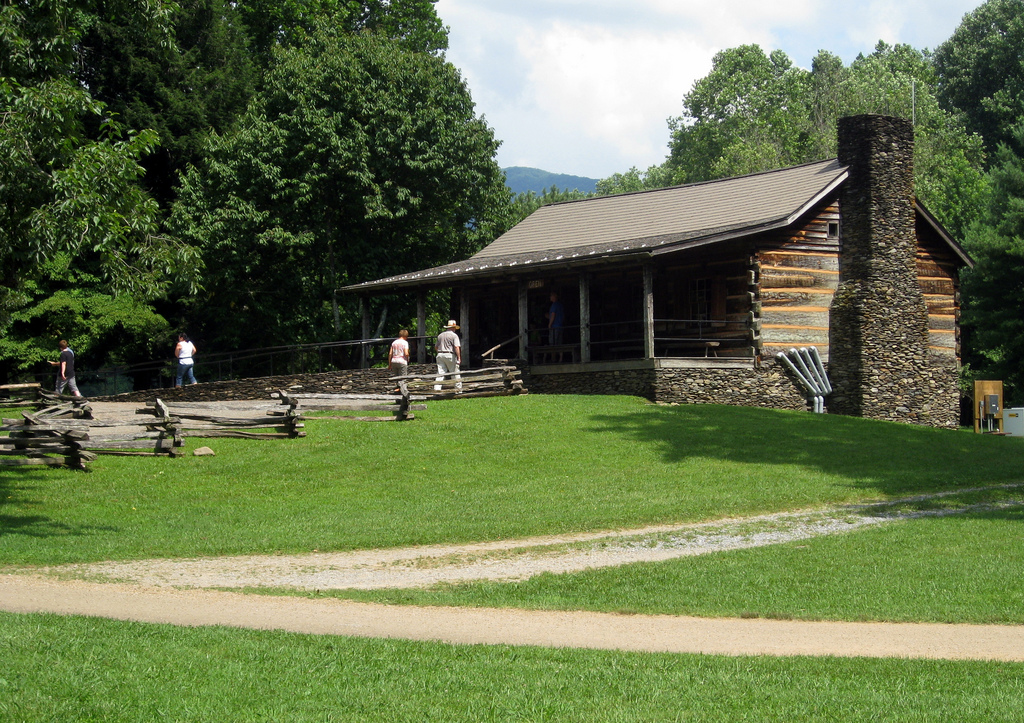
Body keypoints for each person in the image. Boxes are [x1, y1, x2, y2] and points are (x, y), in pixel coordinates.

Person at [434, 320, 462, 392]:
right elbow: (456, 347)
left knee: (440, 373)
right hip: (449, 354)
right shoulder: (454, 336)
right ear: (453, 328)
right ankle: (458, 390)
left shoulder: (440, 335)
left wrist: (440, 352)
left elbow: (436, 347)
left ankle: (436, 389)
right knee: (455, 372)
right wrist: (459, 357)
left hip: (440, 354)